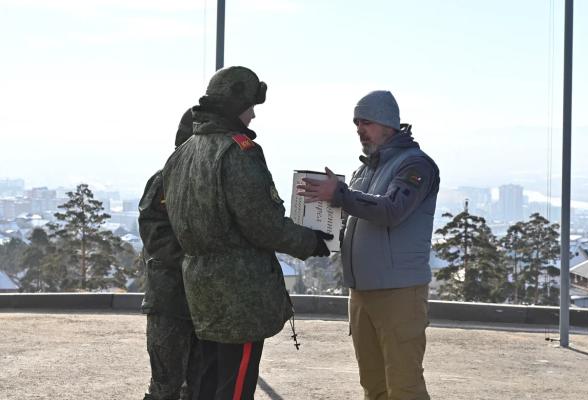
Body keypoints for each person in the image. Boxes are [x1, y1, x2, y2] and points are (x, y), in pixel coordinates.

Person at [161, 66, 332, 399]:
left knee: (206, 381)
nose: (253, 115)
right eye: (251, 106)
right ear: (236, 102)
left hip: (199, 288)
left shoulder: (181, 154)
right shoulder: (238, 152)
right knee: (235, 386)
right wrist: (310, 241)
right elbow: (262, 224)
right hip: (238, 294)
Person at [297, 90, 440, 400]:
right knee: (373, 386)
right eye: (356, 123)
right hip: (361, 293)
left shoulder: (415, 166)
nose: (359, 129)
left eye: (366, 122)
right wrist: (321, 231)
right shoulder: (366, 169)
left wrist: (340, 194)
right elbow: (354, 217)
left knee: (405, 387)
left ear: (388, 123)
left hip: (399, 293)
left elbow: (391, 210)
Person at [139, 108, 201, 400]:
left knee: (200, 386)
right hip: (169, 299)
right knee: (165, 386)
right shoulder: (165, 180)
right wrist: (193, 261)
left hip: (207, 302)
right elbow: (154, 233)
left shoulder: (217, 181)